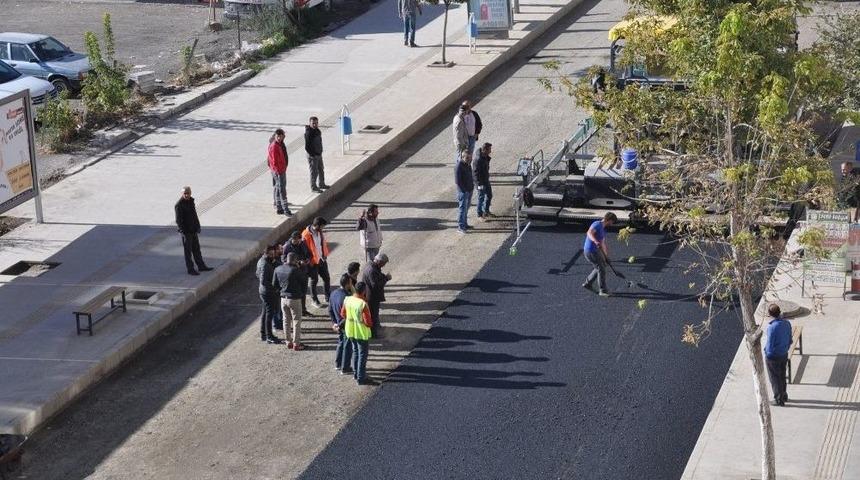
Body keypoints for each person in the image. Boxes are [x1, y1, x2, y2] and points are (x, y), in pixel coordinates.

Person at [342, 281, 376, 386]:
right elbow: (368, 322)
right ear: (364, 291)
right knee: (362, 355)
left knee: (355, 352)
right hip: (361, 333)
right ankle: (361, 378)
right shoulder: (363, 304)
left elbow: (343, 314)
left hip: (350, 331)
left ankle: (356, 374)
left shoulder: (347, 300)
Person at [175, 186, 213, 276]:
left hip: (193, 230)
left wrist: (198, 226)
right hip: (186, 232)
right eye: (185, 193)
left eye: (188, 193)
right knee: (188, 252)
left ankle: (201, 266)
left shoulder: (191, 201)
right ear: (182, 194)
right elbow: (178, 220)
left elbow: (194, 215)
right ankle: (190, 269)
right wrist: (183, 231)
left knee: (196, 249)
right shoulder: (179, 205)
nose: (187, 195)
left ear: (191, 193)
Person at [272, 253, 307, 350]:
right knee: (296, 321)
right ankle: (296, 343)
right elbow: (304, 281)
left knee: (286, 320)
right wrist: (302, 268)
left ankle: (288, 341)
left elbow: (274, 284)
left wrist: (281, 291)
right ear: (295, 260)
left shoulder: (278, 269)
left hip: (283, 298)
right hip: (295, 298)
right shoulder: (295, 270)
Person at [581, 212, 617, 297]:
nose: (612, 224)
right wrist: (595, 241)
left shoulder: (603, 229)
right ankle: (603, 290)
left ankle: (588, 283)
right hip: (590, 251)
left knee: (600, 266)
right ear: (609, 220)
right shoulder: (597, 224)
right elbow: (589, 233)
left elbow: (603, 244)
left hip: (595, 251)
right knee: (601, 268)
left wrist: (606, 256)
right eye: (612, 222)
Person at [764, 303, 792, 406]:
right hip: (784, 354)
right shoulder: (787, 323)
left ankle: (778, 399)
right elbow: (790, 339)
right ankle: (784, 395)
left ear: (770, 314)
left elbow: (770, 345)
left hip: (773, 356)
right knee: (782, 375)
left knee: (775, 378)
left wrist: (767, 353)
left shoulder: (772, 327)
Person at [302, 217, 332, 308]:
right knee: (314, 281)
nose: (323, 228)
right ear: (317, 226)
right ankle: (314, 300)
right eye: (322, 226)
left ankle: (328, 297)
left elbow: (322, 243)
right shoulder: (305, 235)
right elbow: (304, 250)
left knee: (326, 278)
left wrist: (324, 254)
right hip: (313, 262)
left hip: (321, 259)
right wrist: (309, 261)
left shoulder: (320, 232)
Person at [360, 252, 391, 338]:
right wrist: (386, 278)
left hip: (370, 295)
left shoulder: (372, 266)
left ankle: (376, 327)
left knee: (374, 314)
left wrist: (383, 276)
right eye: (383, 264)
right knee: (373, 315)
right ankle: (373, 334)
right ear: (379, 262)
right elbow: (376, 285)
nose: (383, 266)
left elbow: (378, 275)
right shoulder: (372, 270)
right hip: (371, 297)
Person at [255, 244, 282, 344]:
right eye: (270, 254)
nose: (273, 255)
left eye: (273, 253)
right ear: (265, 253)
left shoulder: (265, 261)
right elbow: (263, 281)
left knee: (265, 312)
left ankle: (263, 334)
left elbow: (257, 274)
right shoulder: (265, 264)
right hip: (268, 292)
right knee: (269, 314)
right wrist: (274, 288)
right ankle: (269, 336)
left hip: (264, 291)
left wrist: (274, 262)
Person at [283, 231, 313, 317]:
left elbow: (309, 254)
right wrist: (298, 262)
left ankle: (303, 310)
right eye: (297, 241)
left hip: (303, 272)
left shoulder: (302, 243)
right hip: (294, 273)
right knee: (296, 293)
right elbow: (284, 259)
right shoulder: (287, 247)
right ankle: (296, 312)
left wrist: (307, 259)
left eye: (300, 240)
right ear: (293, 239)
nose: (299, 242)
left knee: (303, 292)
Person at [329, 274, 354, 375]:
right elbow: (348, 316)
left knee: (340, 343)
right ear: (348, 284)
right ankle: (345, 367)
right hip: (345, 325)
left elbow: (330, 310)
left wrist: (334, 323)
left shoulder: (333, 293)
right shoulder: (347, 297)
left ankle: (338, 364)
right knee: (347, 346)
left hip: (338, 324)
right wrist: (339, 324)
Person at [268, 128, 292, 216]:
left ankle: (279, 207)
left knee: (278, 188)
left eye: (281, 137)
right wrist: (278, 171)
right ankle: (285, 209)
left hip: (280, 170)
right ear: (275, 136)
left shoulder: (279, 143)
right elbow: (274, 161)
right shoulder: (274, 146)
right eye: (278, 137)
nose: (280, 138)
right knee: (282, 189)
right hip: (279, 171)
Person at [304, 116, 329, 193]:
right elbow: (307, 147)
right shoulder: (308, 133)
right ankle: (313, 187)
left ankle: (321, 183)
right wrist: (313, 155)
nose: (315, 124)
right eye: (313, 123)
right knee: (314, 172)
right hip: (313, 156)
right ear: (310, 123)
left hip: (319, 154)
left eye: (316, 123)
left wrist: (320, 152)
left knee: (321, 169)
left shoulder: (317, 131)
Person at [455, 150, 475, 234]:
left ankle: (465, 224)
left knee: (466, 209)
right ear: (462, 157)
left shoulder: (468, 165)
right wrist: (464, 191)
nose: (469, 159)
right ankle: (460, 226)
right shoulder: (459, 166)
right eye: (467, 158)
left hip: (469, 190)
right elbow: (458, 181)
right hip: (463, 192)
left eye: (470, 158)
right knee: (462, 209)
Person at [473, 142, 493, 219]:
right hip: (480, 183)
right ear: (484, 150)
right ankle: (479, 215)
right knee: (481, 198)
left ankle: (486, 211)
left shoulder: (485, 157)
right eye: (489, 150)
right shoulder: (477, 160)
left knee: (489, 195)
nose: (490, 151)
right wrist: (479, 185)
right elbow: (475, 174)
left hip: (486, 180)